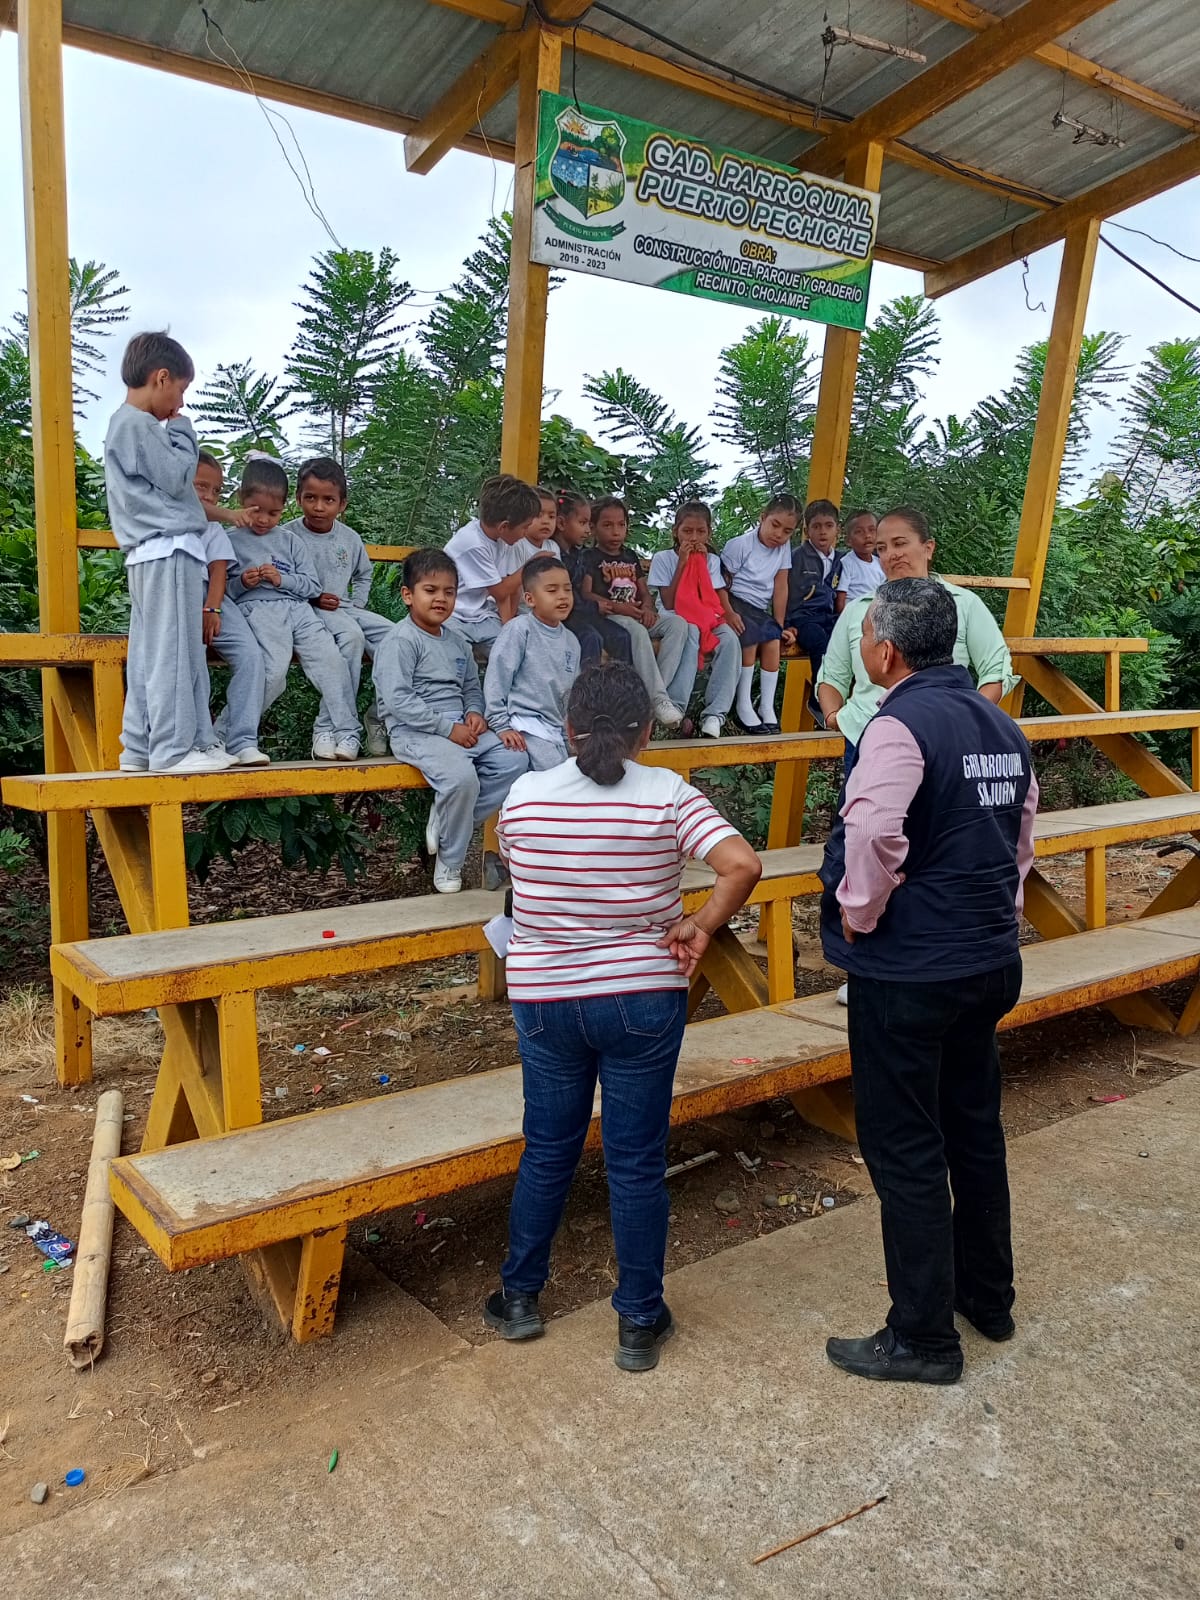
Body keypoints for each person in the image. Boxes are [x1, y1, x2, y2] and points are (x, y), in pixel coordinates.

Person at [483, 662, 762, 1369]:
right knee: (635, 1161)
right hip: (642, 994)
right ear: (645, 735)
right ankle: (639, 1320)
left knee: (548, 1148)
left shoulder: (524, 796)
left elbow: (513, 865)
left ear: (568, 727)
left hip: (545, 998)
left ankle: (519, 1298)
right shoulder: (668, 793)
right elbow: (742, 866)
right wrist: (699, 924)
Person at [819, 578, 1037, 1385]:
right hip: (987, 958)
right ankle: (988, 1296)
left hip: (913, 970)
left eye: (865, 638)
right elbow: (1020, 837)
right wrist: (997, 911)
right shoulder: (999, 723)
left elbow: (874, 831)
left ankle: (922, 1337)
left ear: (885, 650)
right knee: (974, 1129)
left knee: (906, 1145)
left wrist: (859, 910)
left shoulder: (896, 724)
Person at [103, 331, 232, 773]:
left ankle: (140, 747)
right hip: (168, 549)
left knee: (151, 653)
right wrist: (182, 429)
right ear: (161, 378)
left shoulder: (124, 425)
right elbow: (179, 477)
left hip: (150, 554)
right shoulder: (138, 425)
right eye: (181, 388)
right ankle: (173, 749)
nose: (180, 402)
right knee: (174, 652)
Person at [817, 506, 1018, 777]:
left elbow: (996, 670)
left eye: (900, 543)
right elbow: (832, 675)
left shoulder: (964, 604)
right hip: (866, 738)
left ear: (928, 547)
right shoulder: (858, 610)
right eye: (882, 548)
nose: (892, 554)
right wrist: (834, 718)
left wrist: (966, 719)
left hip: (943, 741)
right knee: (868, 806)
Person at [373, 548, 528, 893]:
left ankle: (446, 820)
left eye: (449, 592)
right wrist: (448, 729)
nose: (441, 599)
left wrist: (474, 713)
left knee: (516, 759)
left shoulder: (457, 641)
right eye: (430, 590)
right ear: (408, 595)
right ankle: (450, 862)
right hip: (416, 731)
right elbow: (398, 701)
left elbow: (471, 686)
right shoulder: (400, 641)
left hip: (460, 726)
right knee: (461, 779)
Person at [225, 457, 362, 760]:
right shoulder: (229, 540)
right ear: (240, 499)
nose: (264, 520)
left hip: (299, 610)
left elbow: (312, 587)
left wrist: (282, 579)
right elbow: (224, 592)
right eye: (256, 511)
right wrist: (243, 583)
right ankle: (227, 735)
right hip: (259, 611)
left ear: (285, 506)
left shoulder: (289, 540)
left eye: (273, 513)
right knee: (274, 673)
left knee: (333, 663)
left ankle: (348, 733)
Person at [284, 456, 393, 758]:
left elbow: (364, 574)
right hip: (306, 610)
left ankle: (379, 716)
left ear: (342, 504)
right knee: (352, 637)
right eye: (311, 498)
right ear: (298, 498)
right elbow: (280, 580)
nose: (319, 507)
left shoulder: (349, 538)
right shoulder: (287, 536)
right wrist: (313, 597)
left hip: (344, 607)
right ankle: (328, 728)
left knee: (397, 638)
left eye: (328, 500)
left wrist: (358, 603)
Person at [580, 496, 689, 727]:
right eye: (607, 525)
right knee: (637, 632)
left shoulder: (629, 556)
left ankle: (656, 698)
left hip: (637, 614)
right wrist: (618, 607)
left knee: (678, 624)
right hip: (613, 616)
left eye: (621, 524)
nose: (615, 531)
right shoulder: (589, 557)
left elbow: (644, 591)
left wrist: (648, 607)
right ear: (593, 528)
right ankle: (658, 699)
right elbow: (587, 594)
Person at [192, 453, 269, 767]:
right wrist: (227, 513)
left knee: (251, 655)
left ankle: (242, 740)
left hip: (213, 596)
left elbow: (219, 569)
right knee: (193, 660)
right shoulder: (168, 515)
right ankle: (200, 741)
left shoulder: (213, 529)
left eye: (217, 491)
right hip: (177, 591)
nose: (210, 496)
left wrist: (212, 607)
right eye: (201, 486)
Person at [647, 501, 741, 739]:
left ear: (709, 533)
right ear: (675, 532)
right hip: (676, 618)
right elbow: (669, 602)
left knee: (730, 640)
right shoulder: (663, 558)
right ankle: (676, 706)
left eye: (701, 531)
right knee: (692, 632)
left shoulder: (712, 561)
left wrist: (702, 566)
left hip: (707, 618)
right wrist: (683, 563)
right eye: (687, 531)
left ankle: (715, 715)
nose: (694, 537)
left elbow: (711, 597)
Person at [484, 555, 581, 770]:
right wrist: (500, 725)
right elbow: (497, 678)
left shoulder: (572, 641)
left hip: (557, 727)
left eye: (567, 589)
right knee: (556, 775)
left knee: (580, 770)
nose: (562, 596)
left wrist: (570, 734)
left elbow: (571, 696)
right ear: (530, 599)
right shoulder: (519, 629)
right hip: (526, 723)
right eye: (552, 590)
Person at [719, 493, 799, 734]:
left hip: (758, 608)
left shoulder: (783, 548)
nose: (779, 534)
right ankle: (743, 704)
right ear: (762, 517)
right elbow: (720, 584)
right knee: (751, 637)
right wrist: (728, 613)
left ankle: (766, 706)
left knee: (772, 639)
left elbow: (781, 586)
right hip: (734, 602)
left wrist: (779, 624)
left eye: (787, 531)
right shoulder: (740, 545)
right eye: (775, 525)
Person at [444, 474, 543, 660]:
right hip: (453, 616)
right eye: (525, 527)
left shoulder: (502, 541)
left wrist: (507, 628)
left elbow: (507, 589)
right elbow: (500, 590)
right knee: (459, 661)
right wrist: (530, 565)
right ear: (504, 526)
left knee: (514, 655)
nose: (525, 533)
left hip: (482, 616)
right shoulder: (473, 543)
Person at [555, 490, 632, 669]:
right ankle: (587, 685)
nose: (587, 531)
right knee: (591, 638)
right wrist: (595, 606)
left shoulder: (578, 554)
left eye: (588, 524)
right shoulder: (554, 554)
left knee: (621, 636)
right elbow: (568, 595)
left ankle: (622, 684)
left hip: (583, 613)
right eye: (582, 523)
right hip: (566, 616)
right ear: (561, 523)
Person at [786, 498, 844, 724]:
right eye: (816, 526)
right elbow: (784, 591)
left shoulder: (842, 560)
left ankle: (846, 700)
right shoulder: (797, 557)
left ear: (837, 529)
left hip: (830, 617)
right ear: (806, 530)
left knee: (847, 642)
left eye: (828, 526)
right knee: (820, 643)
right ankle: (818, 699)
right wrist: (786, 624)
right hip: (803, 617)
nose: (823, 532)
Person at [836, 509, 883, 613]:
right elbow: (841, 597)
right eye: (859, 532)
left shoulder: (880, 563)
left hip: (874, 612)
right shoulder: (846, 563)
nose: (867, 535)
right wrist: (843, 619)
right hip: (854, 613)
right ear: (848, 540)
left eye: (872, 530)